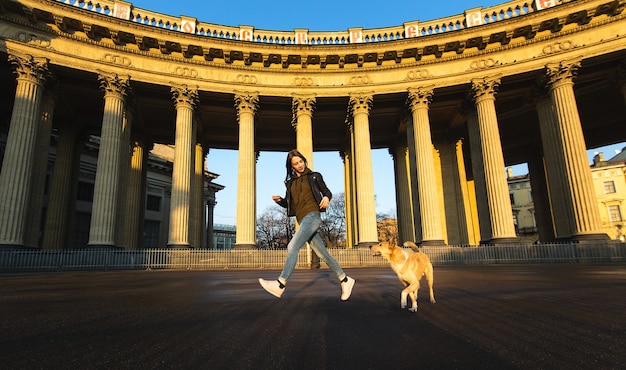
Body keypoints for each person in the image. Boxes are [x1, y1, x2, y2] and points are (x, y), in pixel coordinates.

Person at [258, 149, 355, 300]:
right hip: (302, 220)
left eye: (301, 161)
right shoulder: (290, 183)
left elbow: (327, 191)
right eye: (296, 163)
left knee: (292, 246)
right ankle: (345, 280)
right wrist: (280, 201)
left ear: (304, 161)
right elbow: (291, 204)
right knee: (323, 254)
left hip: (313, 216)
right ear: (291, 167)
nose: (300, 165)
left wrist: (327, 198)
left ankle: (280, 284)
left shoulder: (315, 176)